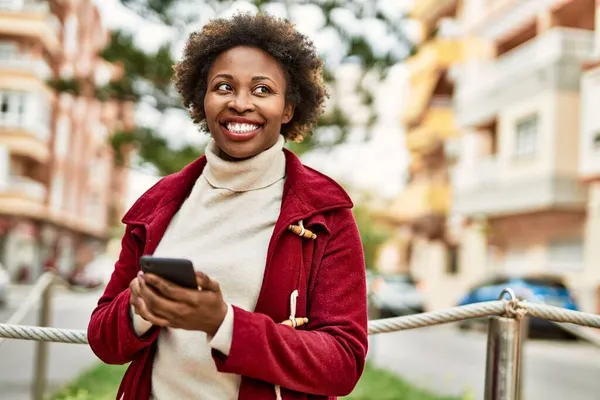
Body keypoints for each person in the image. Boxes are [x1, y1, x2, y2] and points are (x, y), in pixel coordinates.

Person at [87, 12, 368, 400]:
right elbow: (103, 340)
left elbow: (343, 363)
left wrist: (224, 323)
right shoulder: (156, 204)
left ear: (288, 109)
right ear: (202, 99)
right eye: (223, 86)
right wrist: (139, 305)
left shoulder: (326, 212)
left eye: (262, 90)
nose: (240, 103)